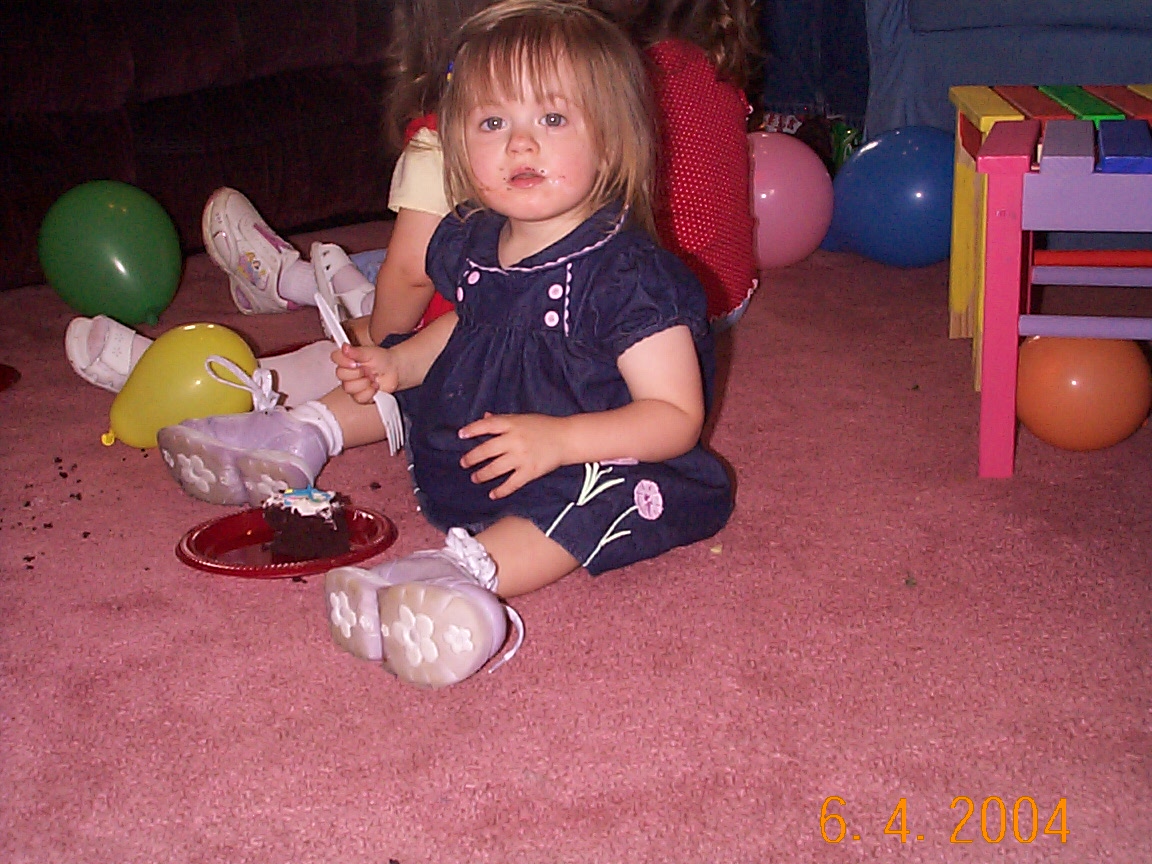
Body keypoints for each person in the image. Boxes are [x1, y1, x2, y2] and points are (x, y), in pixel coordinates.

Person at [156, 0, 734, 689]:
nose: (520, 144)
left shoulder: (630, 276)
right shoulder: (476, 238)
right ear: (457, 143)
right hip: (484, 441)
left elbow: (674, 417)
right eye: (493, 123)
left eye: (552, 119)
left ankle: (464, 575)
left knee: (603, 492)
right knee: (426, 374)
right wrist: (398, 362)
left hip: (588, 446)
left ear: (611, 141)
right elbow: (471, 324)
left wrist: (560, 440)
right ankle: (299, 432)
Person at [64, 0, 759, 404]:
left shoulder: (455, 132)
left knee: (375, 331)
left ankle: (230, 373)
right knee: (443, 248)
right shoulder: (657, 72)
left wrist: (376, 342)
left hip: (584, 324)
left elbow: (413, 275)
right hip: (701, 305)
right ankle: (296, 278)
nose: (520, 136)